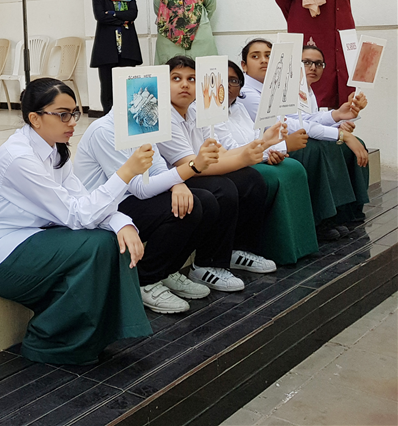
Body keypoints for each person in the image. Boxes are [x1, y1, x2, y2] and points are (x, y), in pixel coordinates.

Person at [0, 79, 153, 365]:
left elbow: (81, 200)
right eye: (62, 114)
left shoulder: (54, 149)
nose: (72, 122)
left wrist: (121, 222)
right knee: (97, 244)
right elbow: (77, 215)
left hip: (31, 236)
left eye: (74, 113)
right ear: (35, 118)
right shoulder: (19, 158)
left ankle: (87, 336)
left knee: (108, 240)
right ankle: (48, 342)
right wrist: (125, 173)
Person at [75, 113, 222, 314]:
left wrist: (177, 184)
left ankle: (167, 271)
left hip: (131, 200)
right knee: (185, 207)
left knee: (206, 201)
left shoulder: (141, 121)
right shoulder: (104, 130)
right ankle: (146, 280)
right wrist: (192, 168)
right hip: (107, 209)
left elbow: (158, 167)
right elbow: (139, 188)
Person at [157, 57, 276, 290]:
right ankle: (206, 264)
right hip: (172, 181)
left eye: (192, 79)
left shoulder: (195, 112)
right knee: (223, 189)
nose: (185, 84)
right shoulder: (164, 116)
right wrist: (245, 157)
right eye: (176, 78)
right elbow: (190, 165)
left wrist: (262, 144)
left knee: (250, 179)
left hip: (192, 174)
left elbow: (220, 155)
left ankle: (238, 250)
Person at [238, 39, 369, 239]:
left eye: (269, 56)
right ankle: (318, 220)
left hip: (283, 141)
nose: (264, 61)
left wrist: (337, 116)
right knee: (315, 148)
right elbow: (285, 123)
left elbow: (303, 119)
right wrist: (339, 133)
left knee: (336, 145)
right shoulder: (247, 92)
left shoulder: (277, 85)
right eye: (255, 56)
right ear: (244, 65)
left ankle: (345, 211)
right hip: (267, 148)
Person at [213, 61, 319, 265]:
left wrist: (271, 151)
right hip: (233, 165)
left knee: (293, 168)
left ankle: (300, 245)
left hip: (253, 157)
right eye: (221, 80)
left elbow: (255, 137)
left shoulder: (238, 107)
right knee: (264, 177)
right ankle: (275, 248)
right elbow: (230, 148)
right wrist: (270, 151)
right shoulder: (209, 114)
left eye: (233, 81)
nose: (227, 85)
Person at [91, 0, 142, 114]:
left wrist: (112, 14)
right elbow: (100, 16)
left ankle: (128, 116)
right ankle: (109, 116)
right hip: (106, 47)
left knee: (127, 84)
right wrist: (123, 19)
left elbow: (133, 14)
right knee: (107, 86)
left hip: (127, 46)